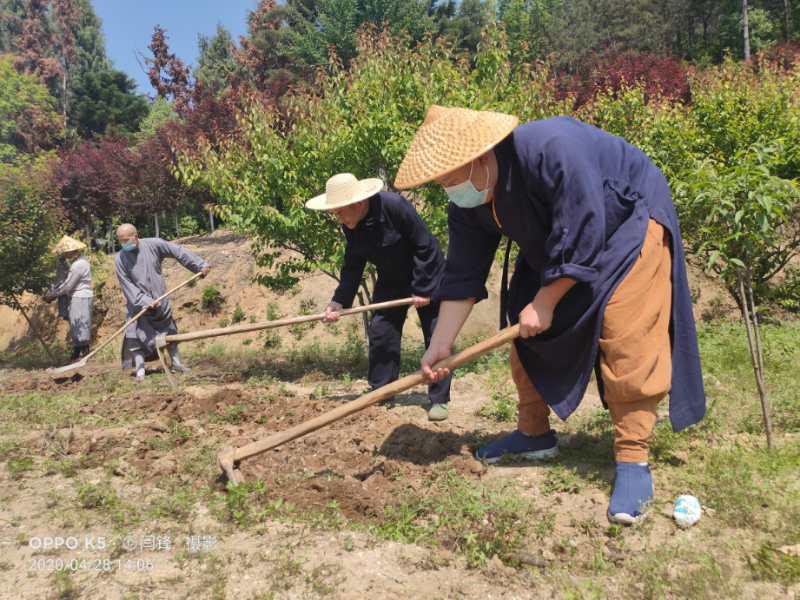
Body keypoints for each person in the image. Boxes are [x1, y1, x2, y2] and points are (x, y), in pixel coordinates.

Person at [394, 106, 706, 524]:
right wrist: (440, 345)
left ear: (480, 157)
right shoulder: (469, 200)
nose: (449, 190)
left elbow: (584, 224)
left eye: (451, 179)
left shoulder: (550, 149)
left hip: (628, 220)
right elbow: (464, 273)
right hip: (564, 243)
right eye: (442, 183)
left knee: (626, 328)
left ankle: (633, 458)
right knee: (523, 322)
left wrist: (547, 301)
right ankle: (533, 432)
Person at [305, 173, 452, 421]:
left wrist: (424, 288)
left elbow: (424, 245)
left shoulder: (394, 206)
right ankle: (382, 392)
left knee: (436, 334)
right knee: (382, 330)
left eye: (339, 212)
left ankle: (439, 399)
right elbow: (353, 264)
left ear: (358, 204)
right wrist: (338, 301)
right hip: (391, 278)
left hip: (427, 272)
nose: (337, 217)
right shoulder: (350, 223)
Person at [114, 224, 210, 381]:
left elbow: (177, 251)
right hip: (138, 305)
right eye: (121, 241)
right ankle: (140, 371)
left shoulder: (154, 244)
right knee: (136, 337)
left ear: (135, 236)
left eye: (126, 240)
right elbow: (127, 285)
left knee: (170, 332)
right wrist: (144, 301)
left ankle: (176, 363)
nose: (124, 244)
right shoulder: (120, 259)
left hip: (160, 299)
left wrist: (199, 265)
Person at [44, 235, 93, 360]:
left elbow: (68, 286)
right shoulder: (77, 263)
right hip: (77, 296)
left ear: (72, 251)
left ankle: (84, 352)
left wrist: (53, 294)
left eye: (66, 253)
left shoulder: (79, 265)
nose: (65, 255)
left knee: (80, 323)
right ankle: (78, 351)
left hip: (80, 296)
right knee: (76, 323)